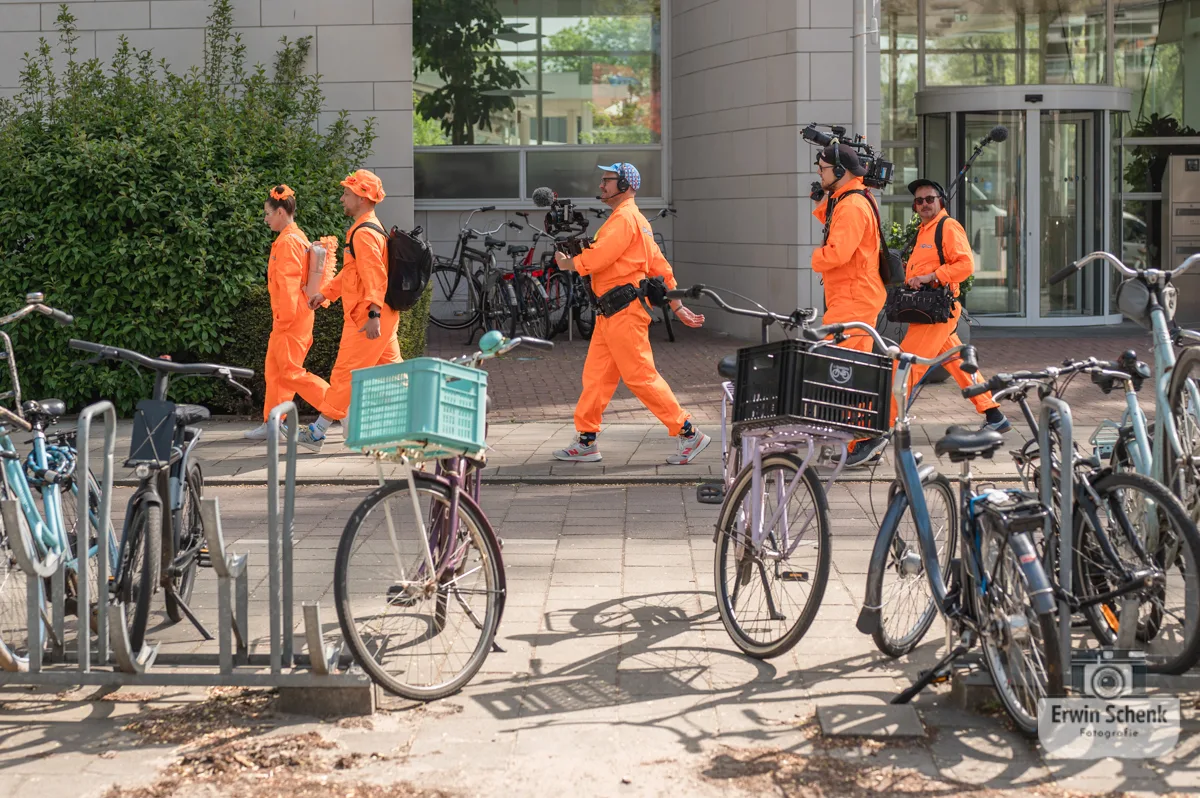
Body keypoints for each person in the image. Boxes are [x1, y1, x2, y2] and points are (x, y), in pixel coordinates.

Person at [551, 162, 710, 465]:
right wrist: (677, 306)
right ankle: (586, 441)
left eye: (607, 180)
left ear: (624, 185)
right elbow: (660, 266)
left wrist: (568, 263)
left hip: (623, 312)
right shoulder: (632, 220)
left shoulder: (624, 219)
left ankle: (689, 433)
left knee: (641, 377)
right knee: (596, 378)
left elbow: (599, 258)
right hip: (610, 313)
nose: (602, 185)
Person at [895, 179, 1010, 433]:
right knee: (958, 361)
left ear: (941, 201)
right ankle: (994, 415)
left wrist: (931, 276)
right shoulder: (925, 229)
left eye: (929, 199)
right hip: (931, 311)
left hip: (936, 313)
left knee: (904, 366)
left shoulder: (947, 227)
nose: (924, 204)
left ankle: (877, 429)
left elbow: (965, 265)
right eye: (919, 201)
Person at [300, 169, 401, 451]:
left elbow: (375, 276)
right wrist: (325, 293)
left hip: (366, 318)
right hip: (382, 315)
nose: (342, 198)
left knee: (345, 375)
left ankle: (317, 433)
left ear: (362, 197)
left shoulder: (364, 233)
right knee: (394, 377)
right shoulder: (366, 228)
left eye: (347, 193)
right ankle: (418, 426)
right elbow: (351, 272)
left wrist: (372, 314)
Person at [811, 143, 889, 466]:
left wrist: (816, 258)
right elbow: (831, 222)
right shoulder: (845, 199)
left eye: (823, 169)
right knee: (845, 370)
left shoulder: (853, 205)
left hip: (855, 300)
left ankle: (865, 438)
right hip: (850, 298)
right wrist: (822, 200)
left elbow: (838, 253)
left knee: (847, 372)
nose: (819, 173)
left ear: (840, 172)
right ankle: (859, 437)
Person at [245, 184, 332, 441]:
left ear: (281, 212)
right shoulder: (292, 238)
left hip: (290, 318)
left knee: (290, 372)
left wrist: (284, 318)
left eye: (268, 214)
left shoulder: (288, 242)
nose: (265, 218)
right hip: (290, 317)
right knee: (275, 370)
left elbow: (290, 284)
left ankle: (339, 407)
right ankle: (273, 423)